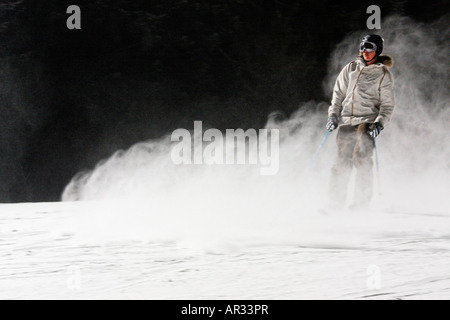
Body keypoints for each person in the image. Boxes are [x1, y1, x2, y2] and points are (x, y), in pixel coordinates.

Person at [326, 34, 395, 210]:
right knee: (341, 160)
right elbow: (338, 94)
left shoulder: (383, 74)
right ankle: (335, 202)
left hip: (367, 121)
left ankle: (361, 204)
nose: (365, 51)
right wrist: (333, 115)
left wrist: (379, 123)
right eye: (363, 47)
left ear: (377, 50)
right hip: (347, 120)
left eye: (370, 48)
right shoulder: (351, 68)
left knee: (362, 158)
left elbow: (387, 104)